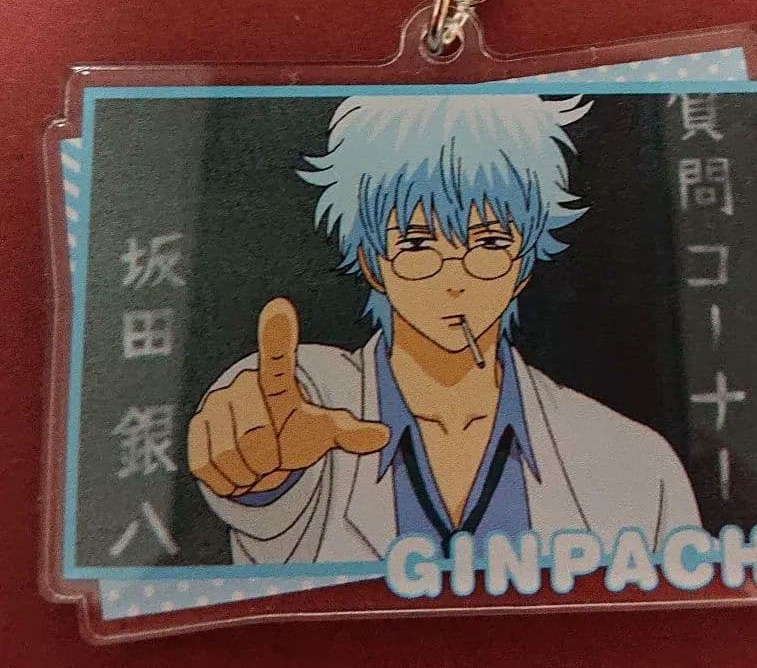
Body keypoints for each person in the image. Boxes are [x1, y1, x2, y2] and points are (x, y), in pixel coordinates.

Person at [188, 94, 700, 566]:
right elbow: (267, 447)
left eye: (490, 243)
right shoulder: (319, 397)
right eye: (416, 245)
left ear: (524, 263)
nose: (454, 281)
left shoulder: (635, 461)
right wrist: (258, 466)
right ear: (371, 262)